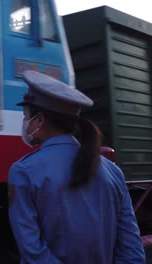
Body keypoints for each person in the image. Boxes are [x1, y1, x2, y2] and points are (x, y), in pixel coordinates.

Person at [8, 70, 145, 263]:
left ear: (38, 120)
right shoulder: (113, 171)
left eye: (25, 116)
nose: (24, 122)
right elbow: (131, 248)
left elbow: (33, 253)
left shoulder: (24, 171)